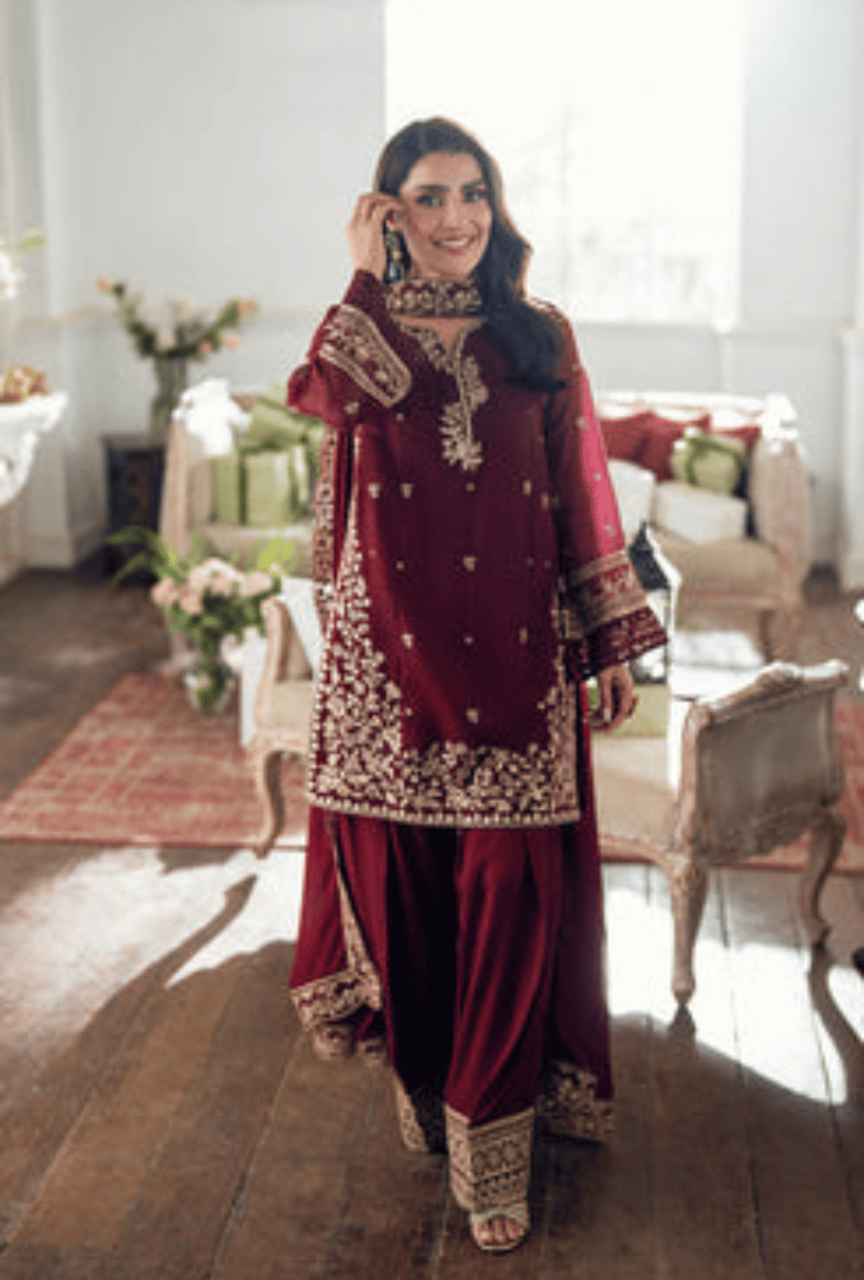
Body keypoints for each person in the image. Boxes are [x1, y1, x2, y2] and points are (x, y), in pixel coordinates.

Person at [286, 117, 666, 1255]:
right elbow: (326, 398)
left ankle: (492, 1147)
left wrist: (606, 641)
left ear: (495, 209)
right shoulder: (364, 331)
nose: (457, 218)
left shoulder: (535, 333)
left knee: (508, 905)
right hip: (382, 664)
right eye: (428, 198)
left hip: (514, 658)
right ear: (390, 211)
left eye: (474, 195)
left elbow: (578, 489)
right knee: (405, 908)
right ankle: (427, 1095)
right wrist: (361, 273)